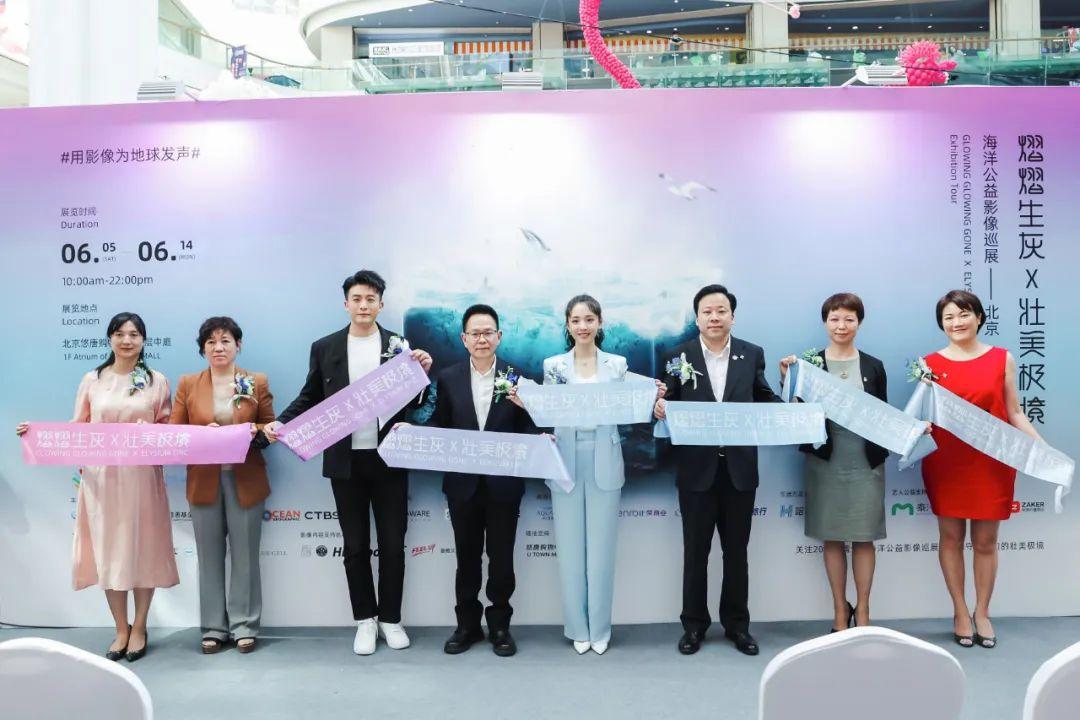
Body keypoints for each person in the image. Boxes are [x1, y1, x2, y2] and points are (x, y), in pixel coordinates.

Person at [263, 270, 432, 656]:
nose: (363, 305)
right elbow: (310, 396)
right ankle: (365, 620)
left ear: (381, 304)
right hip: (345, 462)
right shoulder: (325, 347)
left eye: (371, 299)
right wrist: (283, 422)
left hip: (389, 459)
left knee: (393, 544)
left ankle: (391, 619)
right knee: (355, 545)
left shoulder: (398, 345)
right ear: (346, 304)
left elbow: (416, 401)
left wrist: (422, 374)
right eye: (357, 299)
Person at [17, 312, 178, 662]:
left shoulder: (157, 381)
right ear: (109, 339)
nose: (127, 340)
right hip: (102, 479)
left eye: (134, 334)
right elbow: (77, 426)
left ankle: (140, 626)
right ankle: (120, 628)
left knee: (144, 548)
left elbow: (169, 430)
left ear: (143, 340)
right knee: (109, 552)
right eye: (119, 334)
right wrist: (37, 434)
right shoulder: (93, 379)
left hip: (142, 478)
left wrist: (151, 434)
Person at [653, 284, 781, 656]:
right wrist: (658, 405)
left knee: (736, 552)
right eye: (707, 311)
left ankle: (737, 626)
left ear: (732, 316)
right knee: (695, 552)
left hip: (739, 470)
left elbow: (763, 397)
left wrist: (795, 407)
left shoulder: (751, 354)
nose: (714, 317)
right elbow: (667, 400)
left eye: (721, 311)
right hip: (697, 470)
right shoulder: (678, 356)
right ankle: (693, 626)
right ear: (697, 319)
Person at [920, 290, 1043, 649]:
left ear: (978, 317)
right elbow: (924, 413)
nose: (956, 322)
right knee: (951, 538)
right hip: (946, 462)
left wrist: (1041, 447)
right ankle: (960, 611)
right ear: (941, 324)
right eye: (948, 317)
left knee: (986, 542)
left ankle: (983, 612)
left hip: (992, 461)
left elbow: (1014, 411)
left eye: (963, 314)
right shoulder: (928, 363)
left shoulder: (1002, 358)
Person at [542, 295, 664, 655]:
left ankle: (600, 628)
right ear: (568, 325)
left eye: (589, 319)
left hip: (606, 456)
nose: (583, 326)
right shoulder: (553, 366)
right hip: (564, 458)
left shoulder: (617, 365)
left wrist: (656, 393)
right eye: (576, 320)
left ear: (600, 323)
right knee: (569, 550)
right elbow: (545, 409)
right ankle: (577, 628)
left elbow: (639, 397)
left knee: (602, 550)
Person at [427, 304, 539, 657]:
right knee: (467, 558)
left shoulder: (518, 377)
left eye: (488, 332)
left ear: (499, 336)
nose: (481, 339)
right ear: (464, 339)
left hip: (504, 485)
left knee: (502, 559)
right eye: (475, 333)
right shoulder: (449, 377)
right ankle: (467, 626)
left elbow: (530, 426)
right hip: (462, 485)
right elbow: (439, 424)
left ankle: (500, 626)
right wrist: (411, 433)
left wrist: (540, 436)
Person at [778, 293, 889, 632]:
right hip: (826, 458)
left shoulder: (873, 365)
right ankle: (840, 609)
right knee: (832, 536)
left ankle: (864, 609)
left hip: (865, 459)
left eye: (849, 319)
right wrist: (786, 378)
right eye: (835, 319)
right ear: (825, 322)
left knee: (864, 536)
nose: (842, 326)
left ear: (859, 323)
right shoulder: (809, 363)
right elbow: (794, 410)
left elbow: (884, 416)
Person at [170, 316, 276, 654]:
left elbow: (270, 426)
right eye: (211, 342)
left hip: (246, 478)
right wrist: (204, 435)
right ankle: (213, 627)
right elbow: (175, 432)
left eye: (226, 341)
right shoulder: (188, 383)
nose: (219, 347)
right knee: (209, 556)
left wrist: (256, 432)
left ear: (238, 346)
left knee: (245, 556)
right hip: (204, 480)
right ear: (203, 348)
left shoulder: (255, 381)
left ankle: (244, 625)